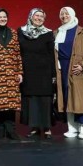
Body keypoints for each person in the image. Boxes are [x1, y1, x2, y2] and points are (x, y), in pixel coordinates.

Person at [54, 7, 83, 140]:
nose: (64, 16)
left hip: (77, 68)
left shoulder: (82, 32)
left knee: (81, 99)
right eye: (62, 14)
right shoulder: (57, 32)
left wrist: (82, 65)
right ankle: (72, 128)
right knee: (68, 98)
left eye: (67, 14)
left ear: (72, 15)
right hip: (63, 68)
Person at [0, 8, 23, 141]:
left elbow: (18, 54)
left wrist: (19, 72)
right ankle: (0, 128)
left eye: (4, 17)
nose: (2, 19)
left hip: (11, 73)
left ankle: (11, 129)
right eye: (0, 17)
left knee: (11, 103)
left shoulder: (13, 32)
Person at [18, 8, 56, 139]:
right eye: (37, 15)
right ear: (31, 16)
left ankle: (46, 127)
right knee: (32, 99)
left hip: (44, 72)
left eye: (42, 16)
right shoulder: (21, 32)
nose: (39, 18)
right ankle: (34, 127)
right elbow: (18, 52)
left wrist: (53, 74)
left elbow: (51, 54)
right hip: (28, 71)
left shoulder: (48, 33)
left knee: (45, 99)